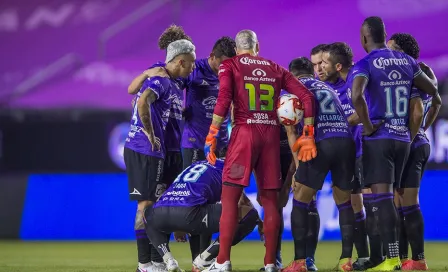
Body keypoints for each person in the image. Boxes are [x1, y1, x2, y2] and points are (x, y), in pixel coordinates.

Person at [203, 30, 316, 272]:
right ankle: (270, 264)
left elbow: (223, 99)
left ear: (236, 48)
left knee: (230, 198)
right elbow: (306, 97)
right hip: (270, 138)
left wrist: (212, 133)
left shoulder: (230, 65)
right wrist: (308, 133)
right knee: (271, 202)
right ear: (258, 46)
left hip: (243, 135)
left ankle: (222, 262)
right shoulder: (275, 67)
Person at [350, 16, 438, 271]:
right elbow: (432, 90)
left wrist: (367, 126)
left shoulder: (366, 63)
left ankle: (390, 259)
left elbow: (357, 96)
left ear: (364, 37)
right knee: (405, 202)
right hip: (404, 138)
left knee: (383, 200)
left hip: (380, 138)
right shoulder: (408, 62)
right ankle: (414, 258)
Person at [124, 28, 196, 272]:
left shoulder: (176, 80)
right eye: (191, 63)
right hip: (145, 148)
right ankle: (144, 263)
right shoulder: (160, 76)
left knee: (158, 204)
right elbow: (137, 95)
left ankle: (156, 260)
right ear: (179, 60)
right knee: (145, 204)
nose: (193, 68)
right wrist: (150, 134)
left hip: (165, 149)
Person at [282, 57, 356, 272]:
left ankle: (299, 262)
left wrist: (297, 169)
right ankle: (346, 260)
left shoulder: (293, 88)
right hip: (345, 141)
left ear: (292, 74)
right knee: (344, 202)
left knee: (300, 199)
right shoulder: (328, 88)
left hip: (319, 143)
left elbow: (291, 131)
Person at [144, 159, 261, 272]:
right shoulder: (230, 166)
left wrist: (177, 225)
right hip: (190, 214)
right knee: (250, 215)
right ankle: (205, 258)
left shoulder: (197, 165)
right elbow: (241, 203)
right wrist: (260, 223)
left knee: (146, 214)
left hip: (161, 213)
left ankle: (169, 260)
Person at [387, 33, 441, 271]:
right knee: (400, 204)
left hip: (410, 144)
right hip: (417, 141)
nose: (386, 56)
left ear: (401, 52)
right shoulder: (425, 72)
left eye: (391, 50)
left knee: (408, 203)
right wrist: (423, 130)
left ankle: (418, 259)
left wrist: (410, 137)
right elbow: (437, 102)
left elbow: (417, 112)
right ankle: (402, 260)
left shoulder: (408, 74)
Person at [321, 42, 370, 270]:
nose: (320, 68)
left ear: (336, 65)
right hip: (340, 156)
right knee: (350, 204)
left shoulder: (352, 83)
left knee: (362, 204)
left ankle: (369, 256)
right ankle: (359, 257)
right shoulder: (320, 91)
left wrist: (344, 121)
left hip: (360, 151)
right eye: (316, 64)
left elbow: (364, 111)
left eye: (324, 63)